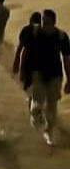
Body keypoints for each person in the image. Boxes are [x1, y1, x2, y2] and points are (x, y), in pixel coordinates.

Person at [16, 8, 70, 146]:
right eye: (42, 21)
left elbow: (66, 59)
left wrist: (69, 79)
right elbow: (24, 52)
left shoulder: (61, 37)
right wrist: (21, 69)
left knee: (52, 107)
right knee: (36, 105)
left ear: (53, 22)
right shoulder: (33, 33)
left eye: (46, 21)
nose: (42, 24)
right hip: (37, 73)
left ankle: (49, 132)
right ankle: (37, 119)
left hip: (55, 75)